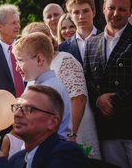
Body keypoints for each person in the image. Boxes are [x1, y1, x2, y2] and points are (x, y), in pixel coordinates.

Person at [22, 22, 101, 159]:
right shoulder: (34, 67)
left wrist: (72, 135)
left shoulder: (65, 60)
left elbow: (79, 98)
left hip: (73, 132)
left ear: (47, 39)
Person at [0, 85, 89, 168]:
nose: (17, 114)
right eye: (17, 107)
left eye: (29, 109)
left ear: (52, 122)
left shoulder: (68, 153)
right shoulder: (17, 159)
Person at [84, 0, 132, 168]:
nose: (115, 13)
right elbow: (86, 80)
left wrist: (115, 100)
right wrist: (98, 100)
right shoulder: (91, 44)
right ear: (104, 8)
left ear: (130, 12)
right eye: (111, 8)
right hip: (106, 129)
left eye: (122, 9)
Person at [12, 32, 72, 139]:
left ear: (39, 59)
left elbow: (35, 131)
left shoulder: (48, 90)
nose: (17, 68)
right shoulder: (41, 85)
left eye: (20, 61)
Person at [58, 0, 100, 65]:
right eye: (76, 12)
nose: (81, 16)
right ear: (71, 16)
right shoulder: (62, 48)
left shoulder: (106, 40)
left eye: (85, 11)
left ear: (93, 12)